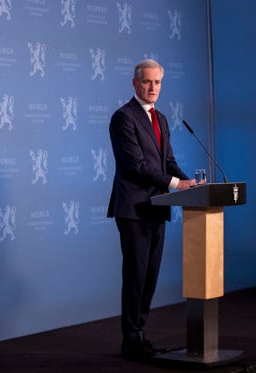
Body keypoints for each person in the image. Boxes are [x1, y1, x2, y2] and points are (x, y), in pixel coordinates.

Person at [107, 59, 201, 361]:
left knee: (150, 276)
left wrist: (190, 184)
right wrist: (176, 184)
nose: (152, 88)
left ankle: (140, 334)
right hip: (134, 209)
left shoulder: (160, 118)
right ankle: (130, 339)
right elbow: (136, 166)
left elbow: (167, 161)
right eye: (147, 82)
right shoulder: (123, 118)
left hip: (157, 208)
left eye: (157, 83)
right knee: (135, 275)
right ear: (135, 83)